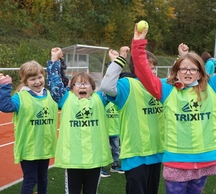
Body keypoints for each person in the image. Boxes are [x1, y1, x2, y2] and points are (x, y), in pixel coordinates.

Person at [131, 16, 216, 194]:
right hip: (177, 162)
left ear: (200, 73)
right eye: (183, 68)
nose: (188, 72)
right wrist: (138, 43)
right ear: (176, 71)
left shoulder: (214, 87)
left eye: (193, 69)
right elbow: (144, 72)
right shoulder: (166, 90)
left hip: (205, 160)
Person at [47, 47, 113, 194]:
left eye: (86, 83)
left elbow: (110, 85)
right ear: (71, 87)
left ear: (93, 87)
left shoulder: (100, 99)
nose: (82, 86)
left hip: (94, 160)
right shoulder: (65, 98)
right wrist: (54, 60)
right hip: (73, 161)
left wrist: (113, 63)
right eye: (78, 83)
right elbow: (54, 83)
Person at [100, 46, 165, 194]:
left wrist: (183, 56)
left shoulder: (160, 86)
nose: (152, 72)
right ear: (137, 69)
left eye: (154, 68)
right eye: (148, 68)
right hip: (136, 155)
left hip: (156, 152)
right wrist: (119, 59)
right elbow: (106, 86)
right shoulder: (128, 85)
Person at [0, 60, 58, 194]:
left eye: (40, 77)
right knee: (30, 179)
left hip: (44, 147)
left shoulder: (48, 94)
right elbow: (5, 106)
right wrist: (5, 86)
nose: (37, 82)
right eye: (32, 79)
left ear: (44, 76)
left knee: (43, 178)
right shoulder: (21, 97)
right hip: (29, 148)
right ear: (25, 82)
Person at [101, 102, 124, 178]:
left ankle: (115, 165)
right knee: (103, 149)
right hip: (104, 129)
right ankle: (101, 167)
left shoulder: (118, 101)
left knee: (116, 148)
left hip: (116, 129)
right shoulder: (104, 101)